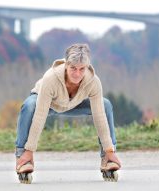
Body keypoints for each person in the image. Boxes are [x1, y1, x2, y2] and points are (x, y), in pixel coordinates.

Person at [15, 43, 121, 183]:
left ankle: (107, 159)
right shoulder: (50, 78)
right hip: (47, 104)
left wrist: (109, 150)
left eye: (81, 69)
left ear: (87, 66)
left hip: (74, 104)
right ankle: (23, 157)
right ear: (66, 64)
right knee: (28, 106)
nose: (77, 74)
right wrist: (30, 150)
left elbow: (100, 117)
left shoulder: (94, 82)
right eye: (73, 68)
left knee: (105, 105)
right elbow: (40, 116)